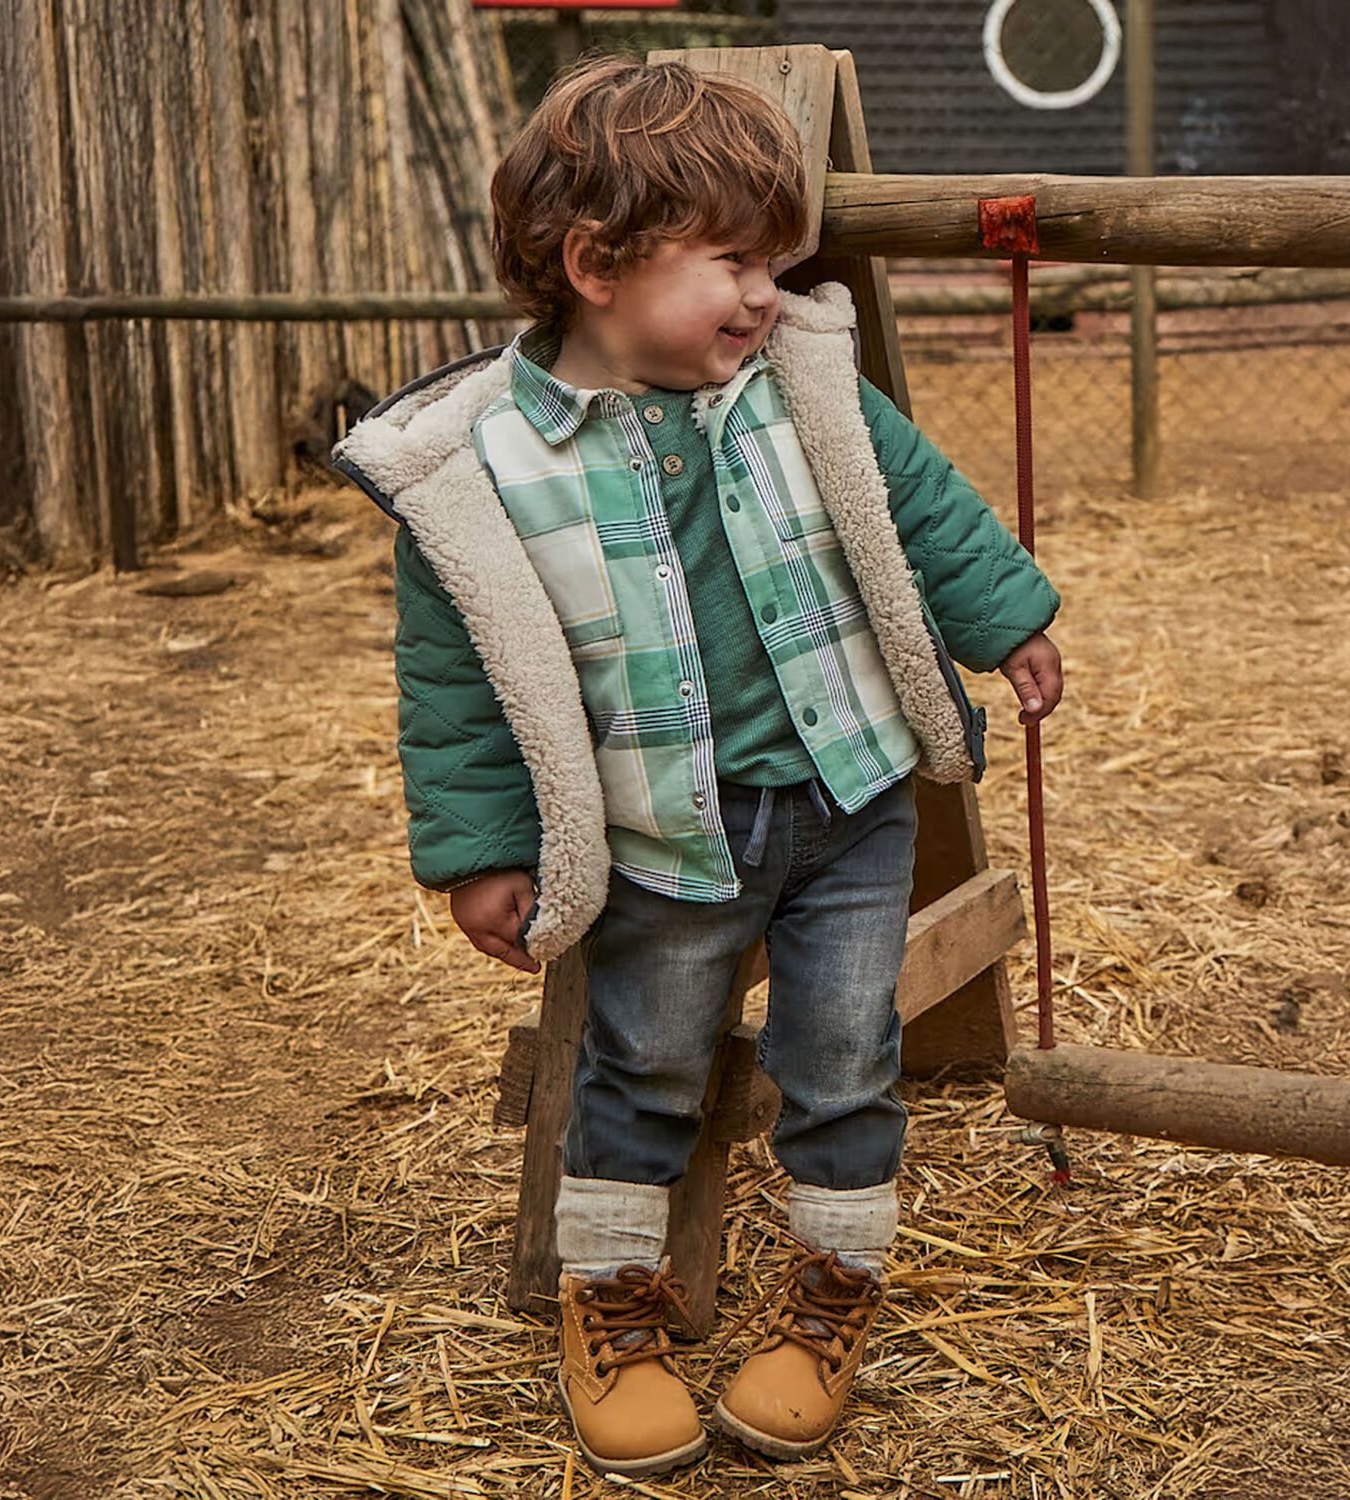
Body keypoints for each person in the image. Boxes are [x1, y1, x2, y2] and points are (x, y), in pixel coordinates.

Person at [335, 54, 1062, 1480]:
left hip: (850, 807)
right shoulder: (477, 468)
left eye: (776, 264)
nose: (765, 295)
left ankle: (831, 1291)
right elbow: (457, 676)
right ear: (596, 264)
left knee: (844, 1060)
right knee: (647, 1065)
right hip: (664, 835)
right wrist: (480, 849)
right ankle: (612, 1300)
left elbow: (916, 504)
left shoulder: (802, 383)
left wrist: (1007, 617)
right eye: (733, 262)